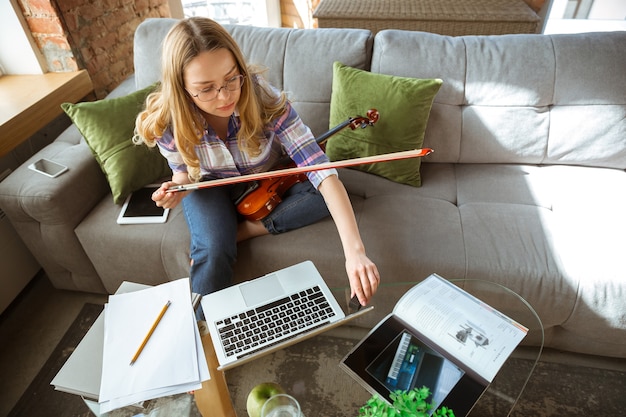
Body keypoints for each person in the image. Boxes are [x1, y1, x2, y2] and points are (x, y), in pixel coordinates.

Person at [134, 17, 379, 312]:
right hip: (210, 185)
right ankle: (202, 331)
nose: (224, 96)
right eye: (206, 89)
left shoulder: (262, 96)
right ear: (182, 88)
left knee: (327, 193)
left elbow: (319, 168)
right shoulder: (167, 121)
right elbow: (183, 174)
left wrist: (355, 253)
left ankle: (243, 231)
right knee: (211, 249)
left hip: (267, 177)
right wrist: (177, 189)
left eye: (230, 79)